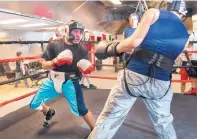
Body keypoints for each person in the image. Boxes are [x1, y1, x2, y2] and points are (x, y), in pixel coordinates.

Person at [88, 1, 189, 139]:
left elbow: (133, 43)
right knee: (164, 122)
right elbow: (173, 57)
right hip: (161, 83)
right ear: (183, 13)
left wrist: (111, 48)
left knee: (110, 117)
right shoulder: (185, 35)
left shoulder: (153, 13)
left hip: (135, 75)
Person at [29, 20, 95, 130]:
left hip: (71, 82)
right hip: (52, 80)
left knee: (81, 109)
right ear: (66, 31)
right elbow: (44, 65)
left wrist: (87, 69)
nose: (78, 35)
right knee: (34, 104)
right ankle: (48, 112)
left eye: (80, 32)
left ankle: (96, 131)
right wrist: (55, 62)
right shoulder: (54, 44)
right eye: (75, 31)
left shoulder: (82, 49)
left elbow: (85, 67)